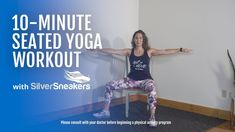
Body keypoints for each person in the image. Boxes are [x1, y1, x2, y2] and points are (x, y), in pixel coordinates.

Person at [92, 30, 192, 127]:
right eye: (136, 38)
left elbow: (164, 51)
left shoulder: (149, 51)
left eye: (140, 38)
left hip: (146, 80)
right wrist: (97, 49)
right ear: (133, 40)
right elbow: (113, 51)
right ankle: (105, 111)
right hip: (131, 80)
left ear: (143, 40)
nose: (138, 40)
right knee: (109, 85)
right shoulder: (129, 51)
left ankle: (152, 117)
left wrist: (180, 49)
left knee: (152, 89)